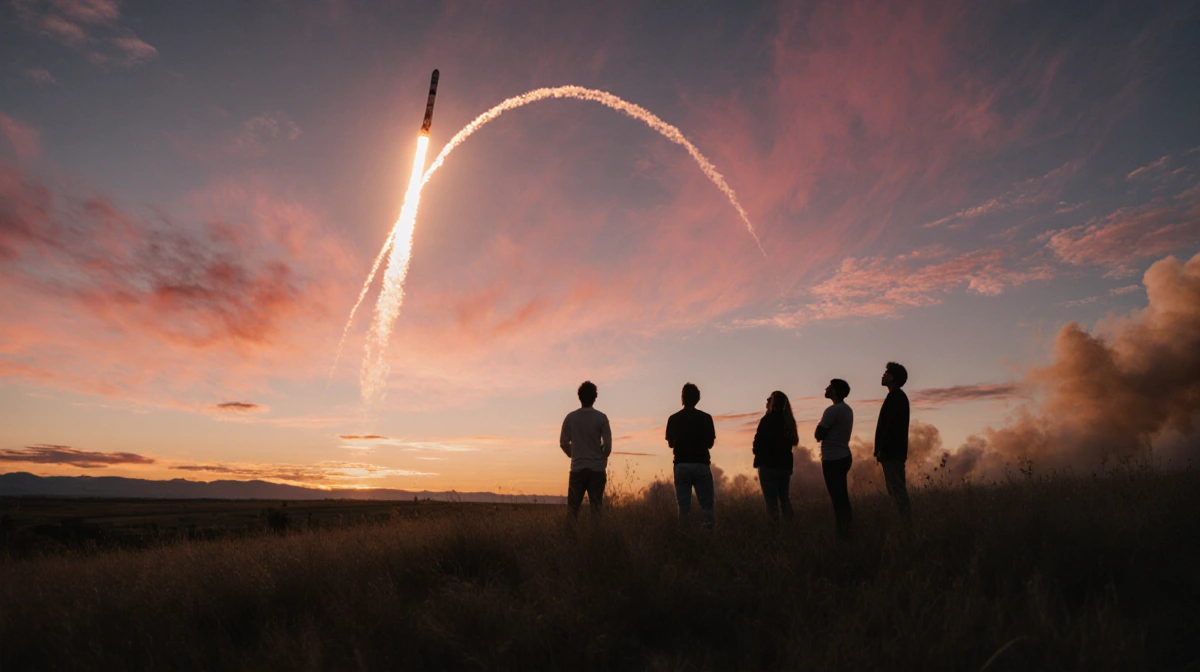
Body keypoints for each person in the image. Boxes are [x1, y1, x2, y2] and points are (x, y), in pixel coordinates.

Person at [665, 382, 717, 528]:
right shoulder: (706, 418)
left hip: (681, 465)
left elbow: (670, 444)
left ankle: (683, 538)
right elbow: (710, 444)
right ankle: (709, 537)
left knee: (683, 507)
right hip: (701, 465)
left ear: (682, 398)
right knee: (707, 506)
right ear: (697, 399)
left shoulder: (673, 419)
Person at [559, 381, 613, 518]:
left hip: (577, 469)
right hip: (596, 470)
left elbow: (563, 442)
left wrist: (575, 454)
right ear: (595, 397)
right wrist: (601, 457)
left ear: (579, 397)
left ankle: (570, 538)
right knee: (596, 510)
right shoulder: (601, 418)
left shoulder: (571, 418)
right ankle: (595, 538)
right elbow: (608, 445)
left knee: (572, 511)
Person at [815, 378, 854, 539]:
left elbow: (819, 434)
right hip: (844, 456)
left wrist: (821, 431)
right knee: (842, 497)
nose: (826, 388)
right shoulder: (848, 410)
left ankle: (843, 535)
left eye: (829, 387)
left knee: (837, 499)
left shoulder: (832, 411)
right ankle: (848, 531)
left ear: (835, 392)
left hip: (832, 459)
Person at [752, 390, 799, 521]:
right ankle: (790, 529)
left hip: (768, 465)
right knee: (784, 499)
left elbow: (758, 442)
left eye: (769, 399)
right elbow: (793, 441)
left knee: (771, 502)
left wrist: (757, 452)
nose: (766, 401)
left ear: (773, 403)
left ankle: (774, 533)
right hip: (784, 466)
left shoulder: (767, 420)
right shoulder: (788, 422)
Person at [875, 361, 912, 524]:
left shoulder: (897, 397)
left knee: (897, 489)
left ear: (895, 378)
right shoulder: (895, 396)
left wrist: (883, 449)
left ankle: (906, 522)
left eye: (888, 373)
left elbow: (892, 426)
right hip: (892, 452)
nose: (884, 375)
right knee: (894, 489)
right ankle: (902, 521)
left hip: (892, 452)